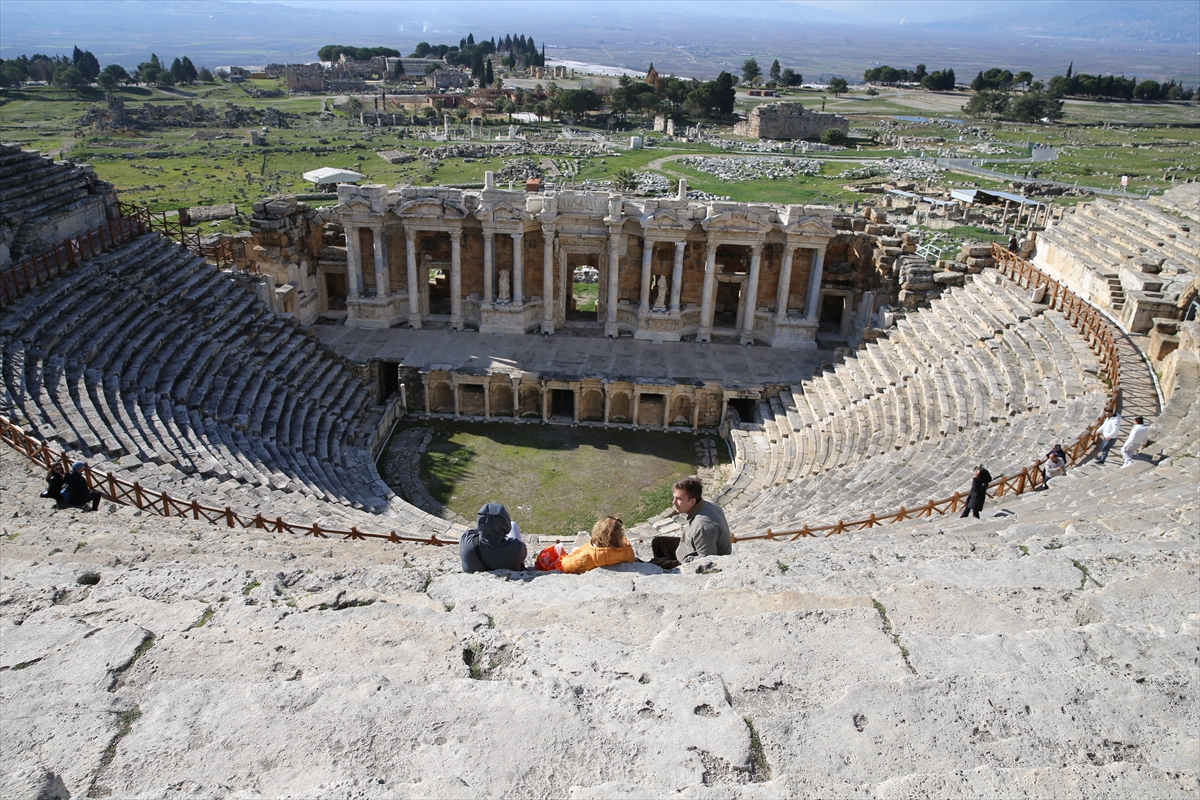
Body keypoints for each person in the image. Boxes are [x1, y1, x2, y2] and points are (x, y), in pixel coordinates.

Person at [650, 477, 731, 570]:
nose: (674, 502)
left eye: (678, 499)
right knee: (658, 543)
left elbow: (706, 562)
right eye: (674, 498)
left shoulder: (702, 527)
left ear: (692, 501)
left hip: (691, 561)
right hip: (691, 546)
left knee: (653, 565)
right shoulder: (709, 503)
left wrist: (685, 560)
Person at [459, 502, 527, 573]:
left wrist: (487, 528)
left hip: (475, 573)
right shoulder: (518, 548)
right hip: (509, 567)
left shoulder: (465, 539)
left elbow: (477, 530)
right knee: (513, 524)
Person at [560, 515, 635, 575]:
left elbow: (565, 565)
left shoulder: (586, 554)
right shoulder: (627, 551)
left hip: (579, 563)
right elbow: (632, 559)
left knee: (575, 549)